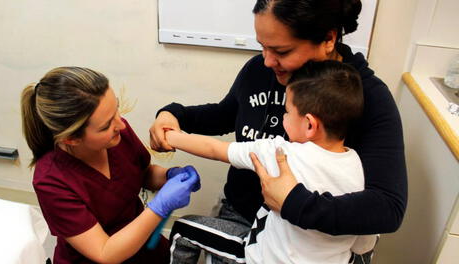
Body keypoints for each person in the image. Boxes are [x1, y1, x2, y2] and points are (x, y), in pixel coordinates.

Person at [149, 0, 407, 263]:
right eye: (262, 47)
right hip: (242, 219)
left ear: (328, 38)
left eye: (281, 51)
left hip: (315, 247)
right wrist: (174, 114)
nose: (268, 60)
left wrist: (293, 203)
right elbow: (225, 114)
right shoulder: (259, 70)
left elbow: (387, 208)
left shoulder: (366, 97)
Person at [165, 60, 377, 263]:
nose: (283, 118)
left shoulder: (281, 153)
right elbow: (363, 245)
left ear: (310, 125)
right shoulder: (360, 168)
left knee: (183, 228)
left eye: (287, 112)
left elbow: (215, 149)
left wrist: (170, 136)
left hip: (262, 258)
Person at [20, 66, 201, 264]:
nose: (121, 124)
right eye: (106, 125)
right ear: (72, 139)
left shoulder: (116, 135)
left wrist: (169, 176)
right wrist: (159, 206)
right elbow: (104, 252)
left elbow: (142, 173)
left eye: (116, 109)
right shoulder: (51, 181)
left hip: (143, 244)